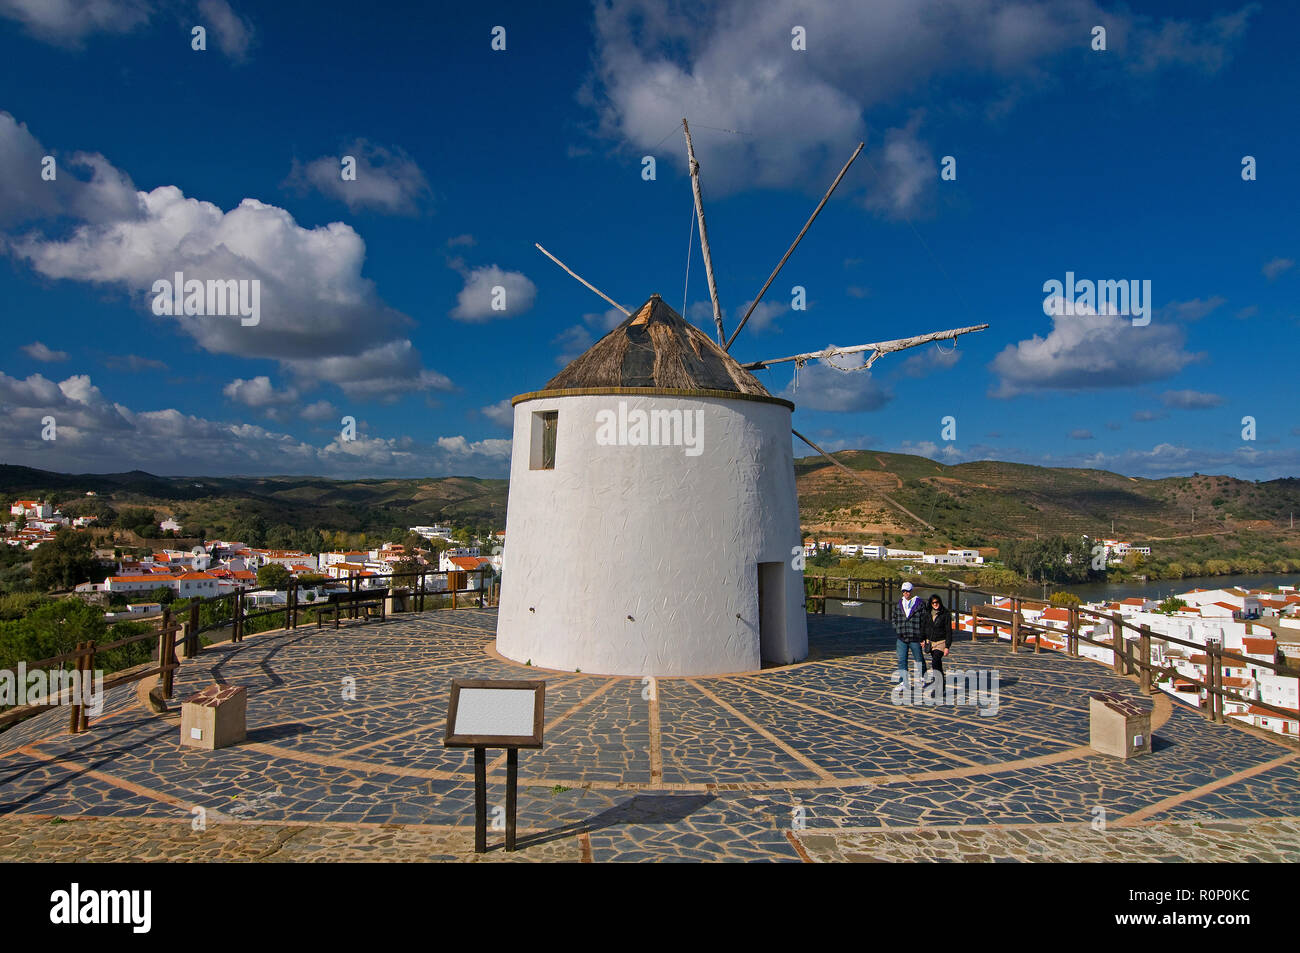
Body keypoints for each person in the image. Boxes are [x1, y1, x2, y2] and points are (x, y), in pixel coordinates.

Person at [891, 581, 927, 684]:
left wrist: (923, 636)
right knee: (902, 660)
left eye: (908, 591)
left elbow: (925, 620)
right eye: (904, 591)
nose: (906, 593)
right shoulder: (899, 604)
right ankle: (903, 682)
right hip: (902, 637)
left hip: (915, 637)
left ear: (912, 591)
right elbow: (894, 618)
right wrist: (898, 629)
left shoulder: (919, 603)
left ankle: (923, 677)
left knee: (919, 659)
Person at [923, 593, 952, 683]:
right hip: (930, 642)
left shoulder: (945, 614)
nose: (935, 604)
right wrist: (922, 639)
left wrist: (947, 646)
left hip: (941, 642)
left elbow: (949, 631)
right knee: (937, 664)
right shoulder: (927, 614)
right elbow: (924, 627)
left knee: (935, 662)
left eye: (937, 602)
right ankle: (940, 682)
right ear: (930, 604)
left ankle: (939, 685)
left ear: (940, 602)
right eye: (933, 603)